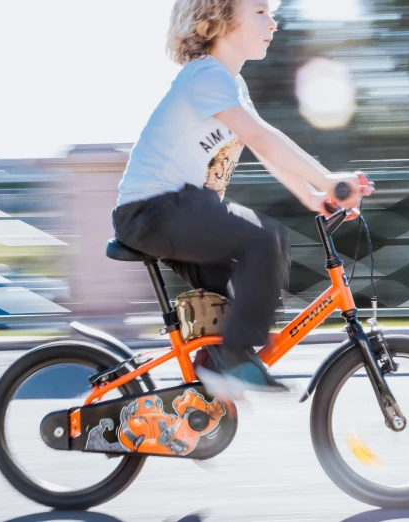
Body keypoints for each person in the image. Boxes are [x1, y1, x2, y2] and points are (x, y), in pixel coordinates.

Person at [111, 0, 365, 400]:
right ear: (221, 20)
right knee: (264, 239)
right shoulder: (205, 76)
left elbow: (262, 148)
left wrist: (314, 195)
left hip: (178, 210)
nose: (273, 22)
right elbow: (263, 138)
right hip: (153, 211)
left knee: (239, 290)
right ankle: (232, 362)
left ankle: (210, 381)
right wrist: (329, 179)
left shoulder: (231, 84)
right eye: (261, 12)